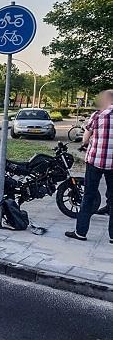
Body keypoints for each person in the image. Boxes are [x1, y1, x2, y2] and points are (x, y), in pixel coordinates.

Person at [66, 89, 113, 244]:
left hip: (95, 161)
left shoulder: (97, 115)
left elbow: (85, 138)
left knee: (88, 196)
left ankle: (81, 232)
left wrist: (86, 143)